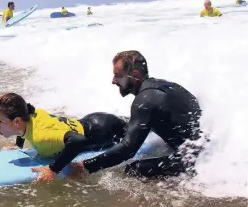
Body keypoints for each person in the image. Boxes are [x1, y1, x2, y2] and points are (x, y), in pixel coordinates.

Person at [39, 50, 205, 182]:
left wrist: (86, 166)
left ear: (135, 75)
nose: (113, 81)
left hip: (196, 159)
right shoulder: (165, 86)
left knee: (134, 169)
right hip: (206, 148)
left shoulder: (145, 101)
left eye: (118, 75)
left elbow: (127, 149)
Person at [0, 92, 128, 183]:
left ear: (16, 121)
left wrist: (53, 169)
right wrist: (19, 145)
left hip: (103, 132)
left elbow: (78, 140)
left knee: (140, 127)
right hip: (94, 120)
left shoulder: (41, 136)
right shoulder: (28, 116)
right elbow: (23, 124)